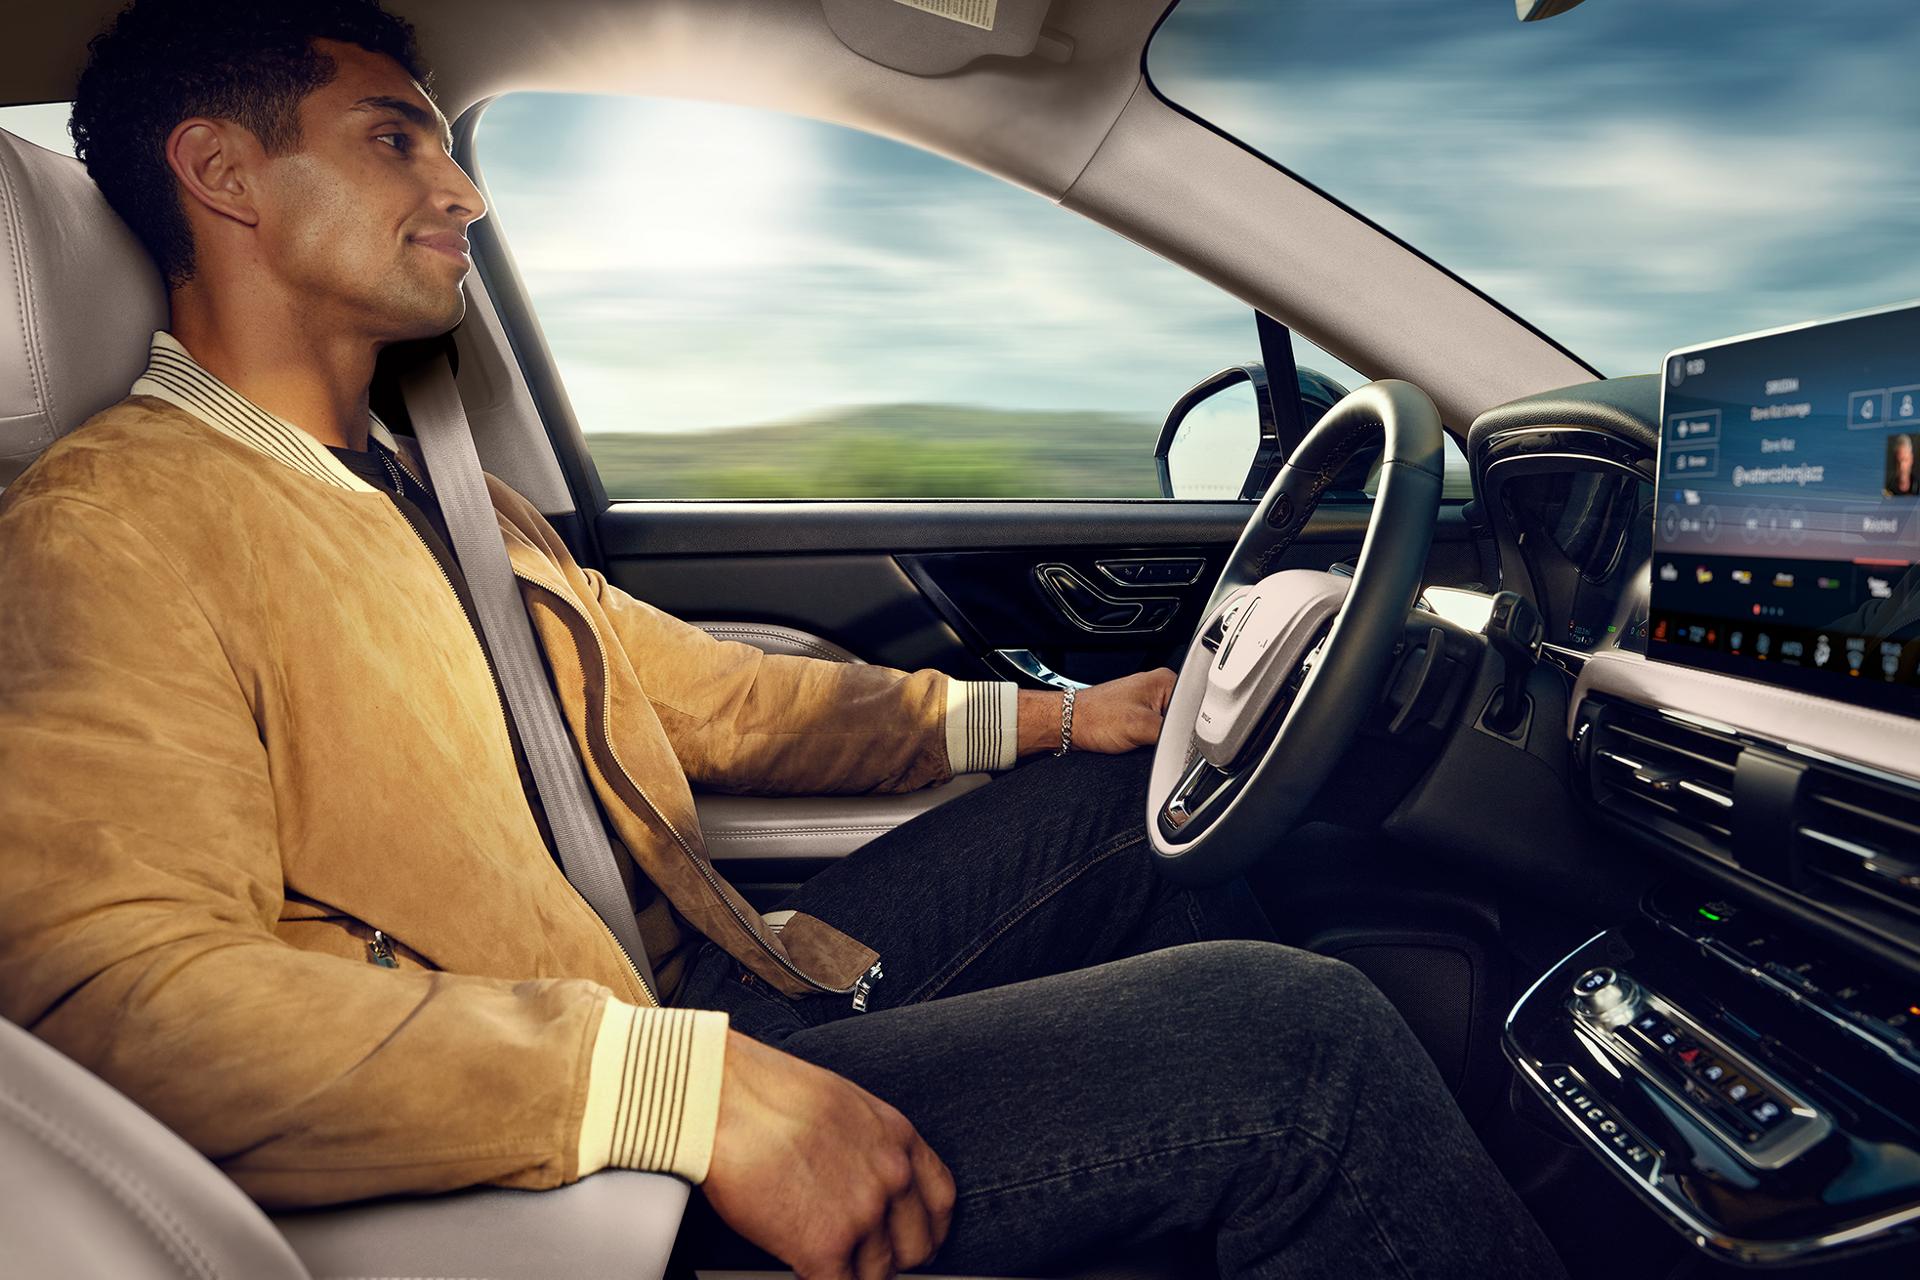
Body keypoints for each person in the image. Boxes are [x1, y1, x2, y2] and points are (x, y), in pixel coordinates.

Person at [0, 3, 1566, 1276]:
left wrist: (1040, 720)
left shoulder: (436, 495)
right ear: (223, 172)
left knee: (1124, 805)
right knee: (1297, 1046)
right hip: (579, 1180)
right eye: (395, 137)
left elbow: (703, 694)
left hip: (703, 1004)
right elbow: (117, 998)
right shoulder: (110, 531)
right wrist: (670, 1093)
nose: (463, 189)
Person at [1887, 433, 1915, 498]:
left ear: (1911, 459)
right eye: (1898, 462)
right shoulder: (1887, 490)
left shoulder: (1918, 487)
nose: (1901, 467)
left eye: (1905, 460)